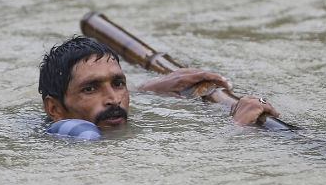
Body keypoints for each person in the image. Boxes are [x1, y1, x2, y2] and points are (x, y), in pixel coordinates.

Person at [38, 37, 280, 139]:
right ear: (55, 109)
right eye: (90, 89)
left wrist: (150, 89)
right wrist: (236, 127)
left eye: (118, 83)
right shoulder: (76, 143)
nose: (114, 99)